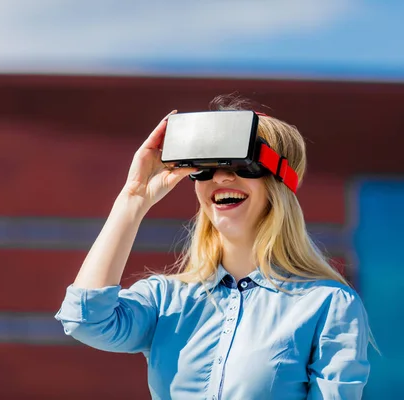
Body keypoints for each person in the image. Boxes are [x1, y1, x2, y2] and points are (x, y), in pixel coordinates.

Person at [55, 95, 371, 400]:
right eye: (204, 167)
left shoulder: (328, 305)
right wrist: (133, 199)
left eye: (240, 165)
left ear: (279, 181)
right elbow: (85, 320)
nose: (220, 177)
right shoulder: (166, 300)